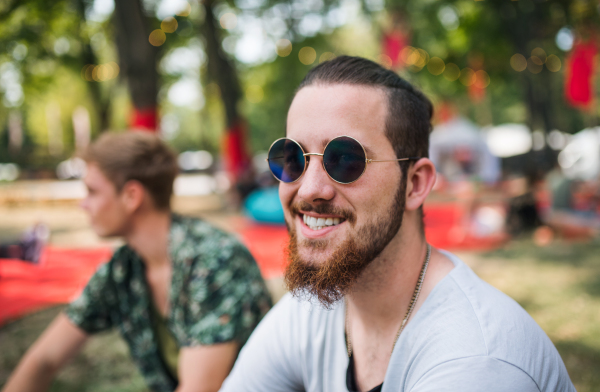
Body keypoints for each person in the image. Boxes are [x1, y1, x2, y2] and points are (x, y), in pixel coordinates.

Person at [220, 56, 575, 392]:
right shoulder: (312, 311)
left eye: (344, 159)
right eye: (293, 158)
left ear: (415, 184)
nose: (310, 188)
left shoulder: (476, 359)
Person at [3, 132, 272, 392]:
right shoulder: (124, 268)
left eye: (92, 191)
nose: (83, 204)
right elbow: (43, 360)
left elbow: (200, 388)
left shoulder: (215, 259)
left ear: (132, 195)